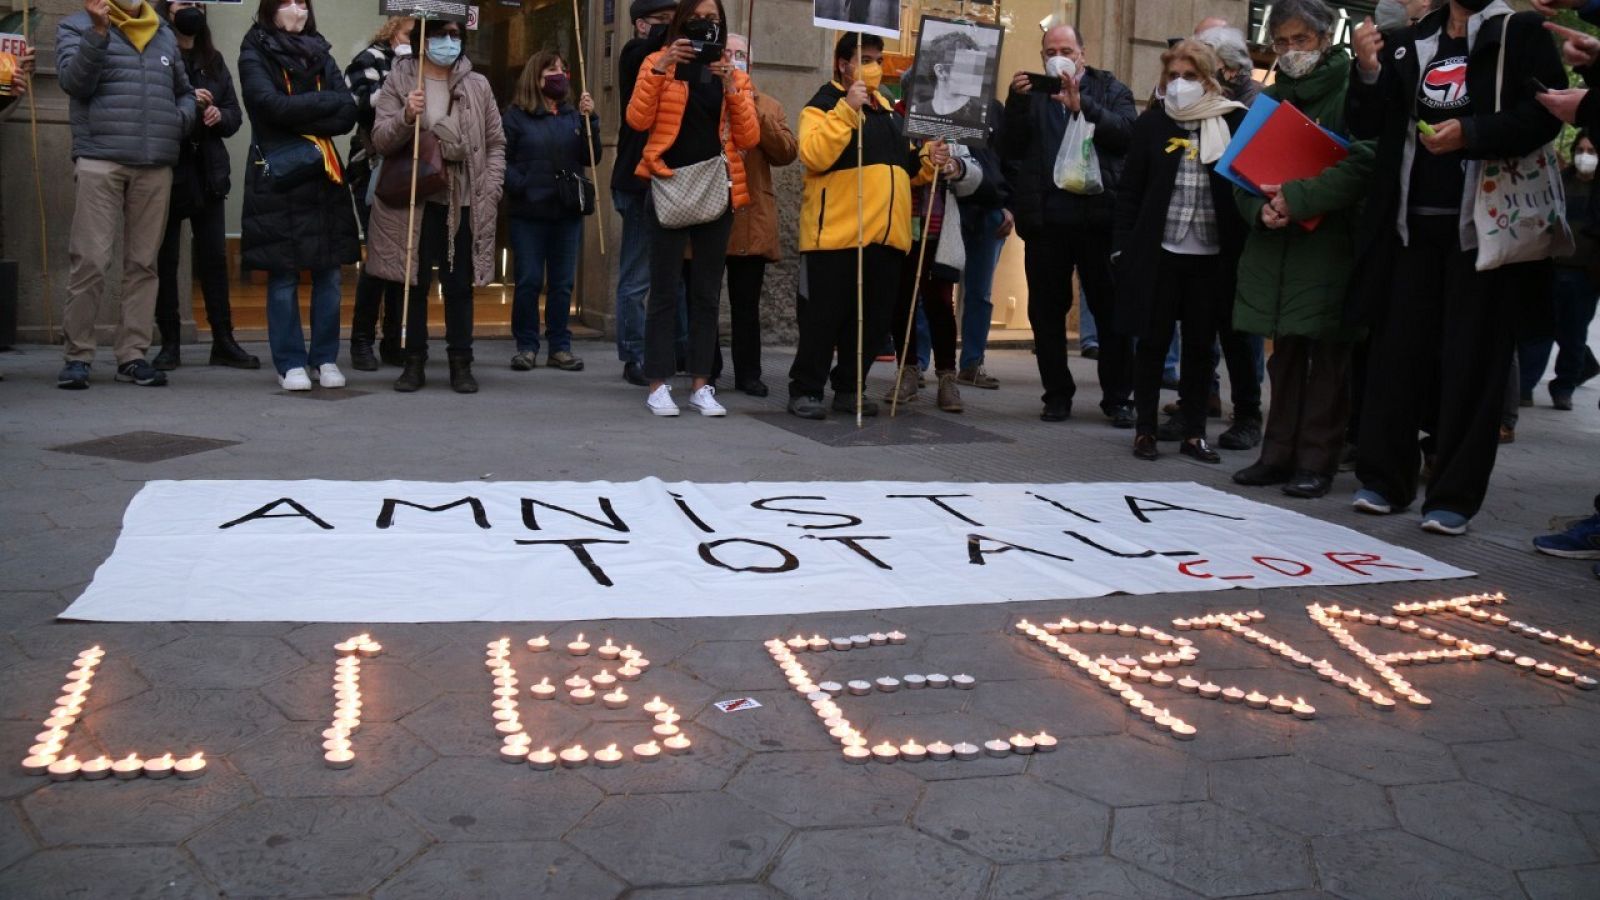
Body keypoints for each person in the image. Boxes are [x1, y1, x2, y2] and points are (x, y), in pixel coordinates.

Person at [1345, 0, 1565, 535]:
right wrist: (1368, 70)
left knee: (1473, 365)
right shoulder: (1408, 38)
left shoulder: (1523, 31)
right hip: (1407, 231)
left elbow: (1545, 113)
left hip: (1483, 233)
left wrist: (1472, 133)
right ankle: (1385, 480)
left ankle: (1453, 497)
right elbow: (1367, 124)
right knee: (1396, 358)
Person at [1229, 0, 1375, 499]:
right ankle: (1276, 454)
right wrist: (1260, 211)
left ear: (1325, 38)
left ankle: (1317, 461)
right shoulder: (1269, 99)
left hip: (1330, 243)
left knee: (1329, 359)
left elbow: (1364, 162)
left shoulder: (1354, 87)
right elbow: (1240, 172)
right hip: (1278, 245)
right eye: (1282, 42)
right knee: (1284, 354)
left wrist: (1298, 197)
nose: (1291, 52)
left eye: (1302, 41)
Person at [788, 33, 946, 419]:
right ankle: (805, 389)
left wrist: (929, 157)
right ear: (843, 64)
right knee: (822, 319)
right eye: (866, 58)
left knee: (872, 324)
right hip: (835, 236)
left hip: (886, 237)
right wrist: (846, 109)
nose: (874, 66)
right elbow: (813, 155)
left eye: (878, 58)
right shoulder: (822, 105)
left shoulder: (890, 111)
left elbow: (905, 169)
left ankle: (850, 387)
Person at [1113, 40, 1245, 463]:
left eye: (1190, 76)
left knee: (1201, 348)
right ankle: (1146, 430)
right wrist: (1121, 247)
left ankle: (1194, 433)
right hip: (1160, 250)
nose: (1180, 84)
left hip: (1210, 254)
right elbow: (1130, 190)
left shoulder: (1232, 122)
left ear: (1208, 79)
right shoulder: (1152, 124)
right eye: (1174, 76)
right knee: (1151, 343)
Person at [55, 0, 197, 390]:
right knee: (90, 260)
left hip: (155, 162)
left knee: (143, 264)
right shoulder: (76, 26)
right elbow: (73, 82)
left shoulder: (163, 33)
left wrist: (179, 119)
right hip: (100, 157)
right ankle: (78, 356)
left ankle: (132, 355)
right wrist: (98, 33)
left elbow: (184, 92)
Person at [627, 0, 759, 417]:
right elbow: (636, 119)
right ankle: (658, 383)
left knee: (706, 292)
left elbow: (749, 137)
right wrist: (661, 65)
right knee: (664, 291)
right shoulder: (656, 61)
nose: (706, 27)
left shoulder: (732, 73)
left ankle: (702, 384)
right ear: (683, 22)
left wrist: (732, 86)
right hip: (668, 183)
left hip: (714, 187)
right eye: (698, 20)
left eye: (714, 21)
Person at [1003, 24, 1136, 425]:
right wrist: (1016, 103)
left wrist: (1085, 108)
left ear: (1083, 52)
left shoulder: (1110, 89)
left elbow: (1127, 135)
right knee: (1046, 313)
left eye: (1066, 49)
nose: (1058, 55)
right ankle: (1056, 395)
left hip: (1100, 220)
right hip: (1048, 221)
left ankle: (1118, 398)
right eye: (1050, 50)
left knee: (1111, 312)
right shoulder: (1035, 93)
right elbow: (1010, 148)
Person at [368, 16, 505, 394]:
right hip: (414, 199)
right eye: (442, 34)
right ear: (424, 39)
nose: (450, 42)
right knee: (413, 283)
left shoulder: (477, 84)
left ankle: (461, 362)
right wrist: (405, 115)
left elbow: (495, 143)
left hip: (462, 199)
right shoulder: (400, 79)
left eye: (456, 35)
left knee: (459, 285)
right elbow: (380, 139)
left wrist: (490, 186)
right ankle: (414, 362)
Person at [238, 0, 358, 392]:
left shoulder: (321, 50)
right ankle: (289, 362)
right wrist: (322, 104)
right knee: (283, 273)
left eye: (302, 3)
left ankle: (324, 358)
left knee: (329, 273)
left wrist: (298, 110)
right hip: (281, 173)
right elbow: (267, 106)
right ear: (270, 8)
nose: (296, 9)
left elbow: (348, 112)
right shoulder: (254, 47)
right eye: (287, 2)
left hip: (324, 175)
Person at [149, 1, 255, 372]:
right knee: (167, 260)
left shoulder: (213, 58)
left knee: (213, 259)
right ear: (167, 9)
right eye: (183, 3)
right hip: (170, 167)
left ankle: (224, 340)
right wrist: (187, 103)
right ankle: (170, 343)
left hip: (208, 170)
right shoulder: (156, 51)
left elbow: (234, 114)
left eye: (196, 3)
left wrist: (217, 114)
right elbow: (148, 107)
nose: (191, 9)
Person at [887, 77, 988, 414]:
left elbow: (975, 175)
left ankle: (947, 376)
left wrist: (956, 167)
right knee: (900, 302)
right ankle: (908, 371)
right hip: (902, 228)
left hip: (939, 231)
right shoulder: (894, 120)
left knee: (940, 304)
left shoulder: (951, 125)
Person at [503, 49, 600, 374]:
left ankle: (560, 346)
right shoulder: (516, 116)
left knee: (561, 283)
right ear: (536, 76)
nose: (559, 75)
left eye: (562, 69)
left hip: (566, 211)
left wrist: (592, 121)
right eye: (551, 70)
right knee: (529, 280)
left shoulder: (574, 115)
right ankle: (526, 346)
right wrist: (522, 184)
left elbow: (591, 157)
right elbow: (502, 159)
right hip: (529, 212)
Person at [721, 32, 797, 398]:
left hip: (749, 214)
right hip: (709, 210)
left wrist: (754, 110)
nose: (734, 59)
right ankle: (703, 367)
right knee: (700, 298)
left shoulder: (768, 104)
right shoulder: (707, 96)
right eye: (728, 53)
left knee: (746, 304)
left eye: (740, 55)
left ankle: (748, 373)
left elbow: (785, 152)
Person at [613, 0, 678, 387]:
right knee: (636, 277)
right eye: (663, 23)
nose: (672, 30)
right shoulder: (637, 53)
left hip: (665, 178)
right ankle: (634, 353)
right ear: (641, 25)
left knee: (667, 276)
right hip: (636, 181)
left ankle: (667, 349)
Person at [344, 17, 414, 371]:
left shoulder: (427, 61)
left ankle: (392, 340)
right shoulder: (369, 60)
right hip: (375, 168)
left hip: (417, 171)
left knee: (404, 260)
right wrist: (402, 75)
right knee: (378, 258)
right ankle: (361, 341)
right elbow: (360, 104)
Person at [1519, 130, 1600, 409]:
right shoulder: (1560, 184)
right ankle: (1524, 387)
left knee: (1573, 334)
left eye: (1591, 151)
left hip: (1584, 274)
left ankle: (1564, 386)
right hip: (1552, 267)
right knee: (1538, 330)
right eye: (1581, 150)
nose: (1585, 156)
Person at [955, 97, 1011, 390]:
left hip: (989, 208)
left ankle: (973, 363)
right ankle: (919, 365)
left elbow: (1009, 158)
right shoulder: (935, 103)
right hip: (948, 205)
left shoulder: (994, 108)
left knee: (980, 291)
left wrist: (1009, 204)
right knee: (933, 289)